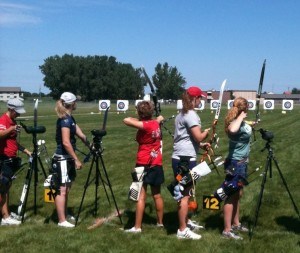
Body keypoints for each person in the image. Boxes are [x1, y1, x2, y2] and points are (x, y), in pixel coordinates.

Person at [172, 86, 210, 240]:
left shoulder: (182, 114)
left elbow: (186, 137)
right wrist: (206, 133)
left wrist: (200, 146)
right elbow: (198, 136)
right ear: (194, 99)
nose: (200, 100)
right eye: (199, 98)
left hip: (181, 157)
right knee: (184, 194)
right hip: (185, 160)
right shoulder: (191, 115)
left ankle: (185, 222)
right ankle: (182, 230)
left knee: (184, 192)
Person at [123, 100, 164, 233]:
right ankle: (160, 223)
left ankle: (137, 227)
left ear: (140, 113)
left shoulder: (145, 126)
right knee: (157, 195)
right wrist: (156, 120)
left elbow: (126, 120)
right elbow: (151, 122)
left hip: (143, 163)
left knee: (141, 196)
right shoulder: (155, 124)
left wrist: (142, 119)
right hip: (156, 163)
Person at [52, 92, 90, 228]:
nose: (77, 104)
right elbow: (66, 142)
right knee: (62, 190)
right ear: (72, 104)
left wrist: (91, 145)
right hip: (62, 158)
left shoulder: (70, 119)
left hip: (67, 158)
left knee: (66, 189)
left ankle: (64, 214)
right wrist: (76, 160)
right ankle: (61, 220)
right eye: (76, 102)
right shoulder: (65, 120)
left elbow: (81, 135)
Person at [222, 97, 251, 240]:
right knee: (230, 195)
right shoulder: (235, 123)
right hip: (235, 164)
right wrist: (240, 117)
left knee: (237, 195)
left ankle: (235, 223)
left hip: (241, 163)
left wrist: (247, 122)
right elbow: (233, 129)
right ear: (243, 109)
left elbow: (240, 128)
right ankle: (227, 230)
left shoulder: (240, 122)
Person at [0, 98, 32, 225]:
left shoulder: (12, 121)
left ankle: (6, 213)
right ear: (11, 109)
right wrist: (11, 129)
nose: (18, 114)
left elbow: (12, 142)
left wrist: (26, 151)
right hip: (4, 158)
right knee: (3, 188)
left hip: (11, 158)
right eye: (17, 112)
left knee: (6, 187)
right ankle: (5, 217)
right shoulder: (3, 120)